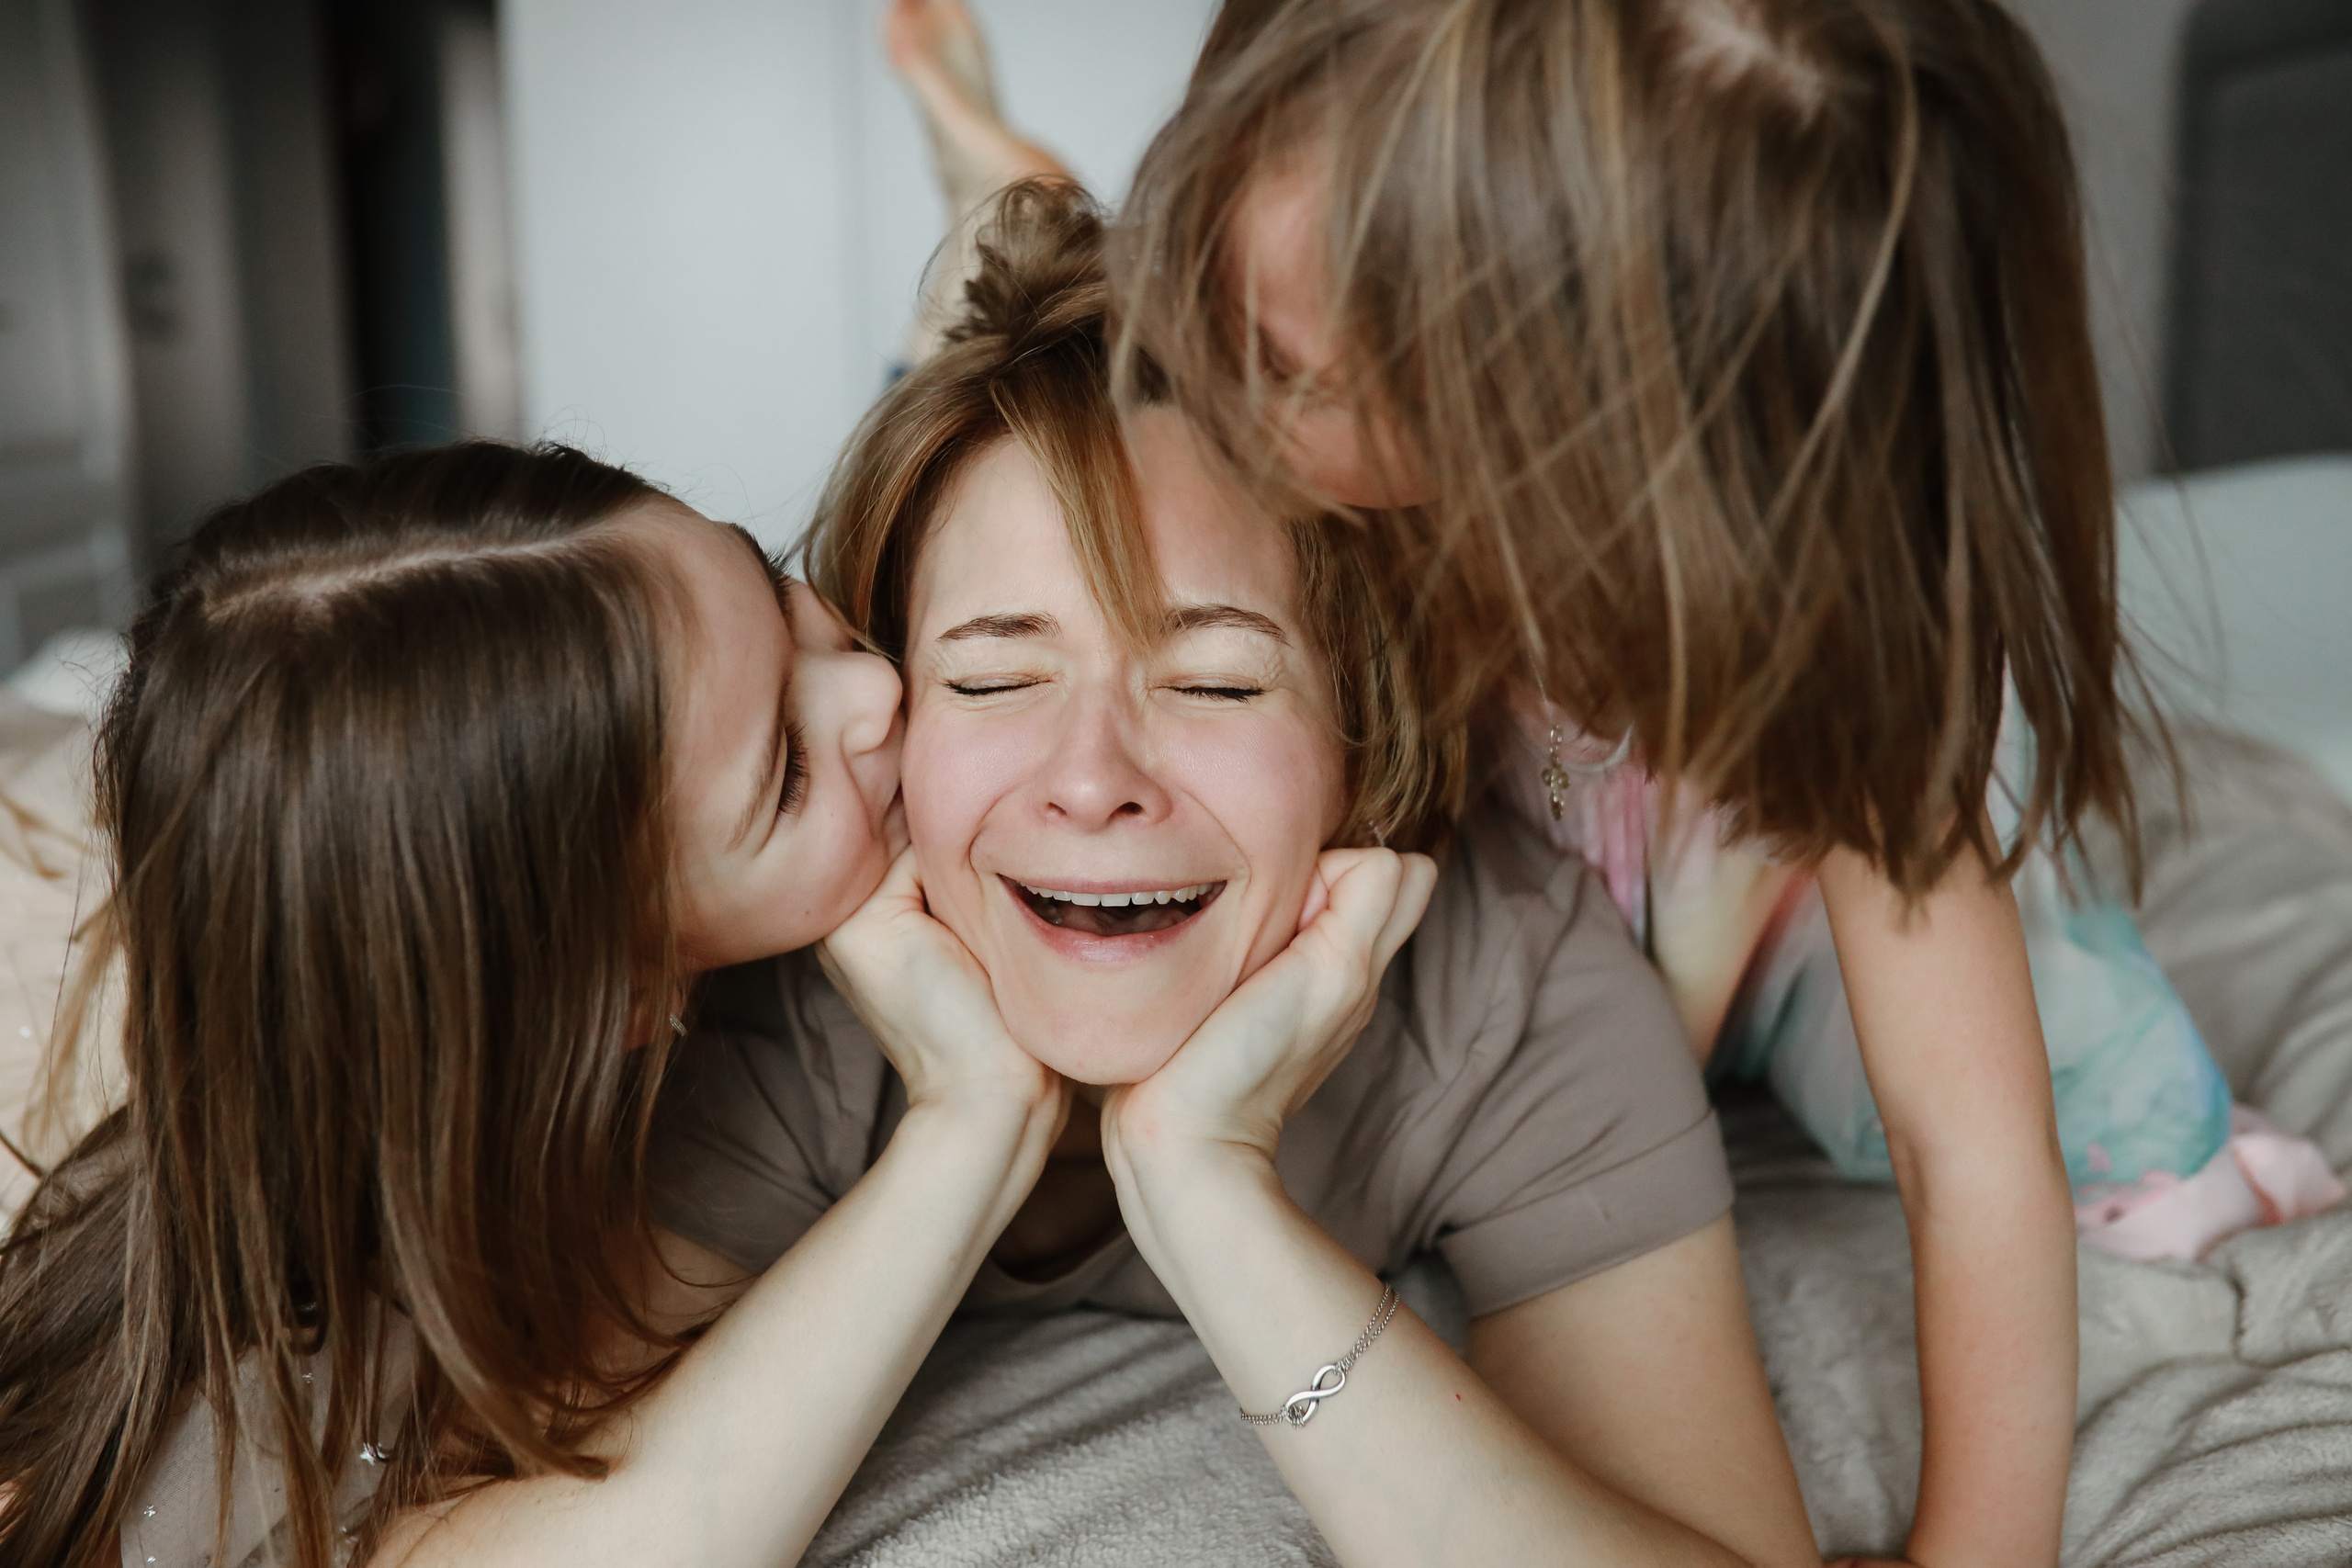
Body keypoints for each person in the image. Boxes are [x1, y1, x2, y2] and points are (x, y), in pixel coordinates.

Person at [1104, 3, 2346, 1563]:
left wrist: (1981, 1547)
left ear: (1584, 440)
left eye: (1294, 370)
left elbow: (1971, 1153)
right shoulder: (1325, 429)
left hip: (1760, 895)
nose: (1242, 395)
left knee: (2106, 1099)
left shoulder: (1835, 658)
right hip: (1569, 924)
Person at [648, 180, 1819, 1568]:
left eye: (1212, 678)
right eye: (994, 674)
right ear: (891, 706)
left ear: (1358, 738)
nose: (1093, 777)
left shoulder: (1508, 977)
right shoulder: (780, 991)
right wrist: (965, 1122)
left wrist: (1208, 1185)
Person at [0, 443, 1086, 1568]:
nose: (877, 683)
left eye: (771, 582)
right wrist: (972, 1118)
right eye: (788, 776)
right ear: (617, 997)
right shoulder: (288, 1374)